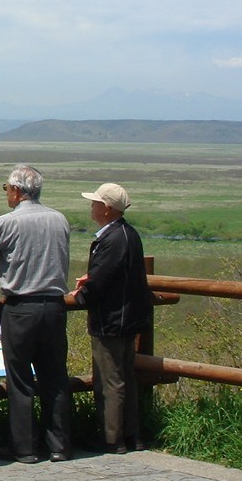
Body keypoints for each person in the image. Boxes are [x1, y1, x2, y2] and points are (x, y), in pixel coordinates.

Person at [0, 164, 73, 463]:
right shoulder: (60, 219)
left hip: (21, 308)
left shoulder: (7, 223)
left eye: (6, 188)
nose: (6, 193)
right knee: (55, 376)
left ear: (16, 191)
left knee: (20, 380)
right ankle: (60, 445)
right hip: (55, 307)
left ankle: (25, 448)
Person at [73, 183, 152, 454]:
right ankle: (132, 435)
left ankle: (111, 438)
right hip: (129, 318)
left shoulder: (110, 239)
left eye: (95, 203)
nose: (91, 207)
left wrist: (81, 296)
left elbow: (102, 279)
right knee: (125, 377)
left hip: (110, 320)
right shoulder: (130, 234)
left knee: (109, 380)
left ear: (106, 209)